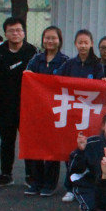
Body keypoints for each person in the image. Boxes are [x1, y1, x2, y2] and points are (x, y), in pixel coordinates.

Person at [21, 26, 69, 196]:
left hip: (55, 110)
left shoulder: (65, 61)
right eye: (47, 38)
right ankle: (36, 182)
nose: (50, 41)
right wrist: (28, 75)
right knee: (35, 146)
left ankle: (49, 183)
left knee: (52, 148)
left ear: (59, 40)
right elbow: (29, 77)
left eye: (53, 38)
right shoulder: (36, 59)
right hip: (37, 109)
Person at [0, 17, 37, 187]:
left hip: (28, 106)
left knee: (29, 141)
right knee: (6, 141)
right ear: (5, 33)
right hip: (5, 105)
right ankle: (6, 175)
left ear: (24, 33)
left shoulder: (33, 52)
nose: (15, 33)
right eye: (11, 31)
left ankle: (31, 175)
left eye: (18, 30)